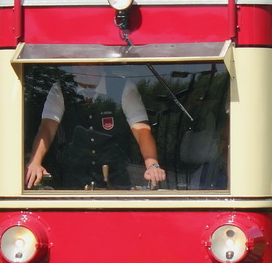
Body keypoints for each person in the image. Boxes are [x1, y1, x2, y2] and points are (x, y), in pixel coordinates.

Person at [25, 67, 166, 190]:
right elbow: (47, 128)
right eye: (78, 67)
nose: (83, 71)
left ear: (100, 65)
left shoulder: (123, 87)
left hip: (116, 176)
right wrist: (35, 162)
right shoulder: (61, 88)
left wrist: (152, 164)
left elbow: (141, 129)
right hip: (73, 176)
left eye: (88, 66)